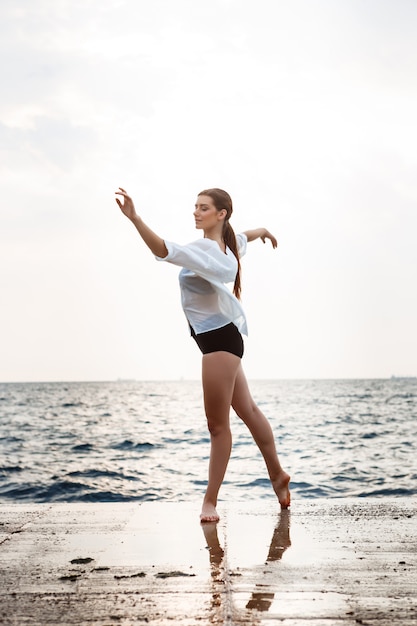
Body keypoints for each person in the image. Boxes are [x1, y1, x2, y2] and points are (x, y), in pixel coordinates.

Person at [115, 187, 290, 523]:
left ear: (220, 213)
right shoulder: (226, 245)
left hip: (218, 342)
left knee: (217, 426)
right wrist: (263, 231)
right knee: (249, 411)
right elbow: (244, 237)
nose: (196, 212)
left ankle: (210, 502)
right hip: (224, 338)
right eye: (195, 206)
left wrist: (135, 219)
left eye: (204, 208)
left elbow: (163, 249)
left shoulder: (207, 251)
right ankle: (278, 475)